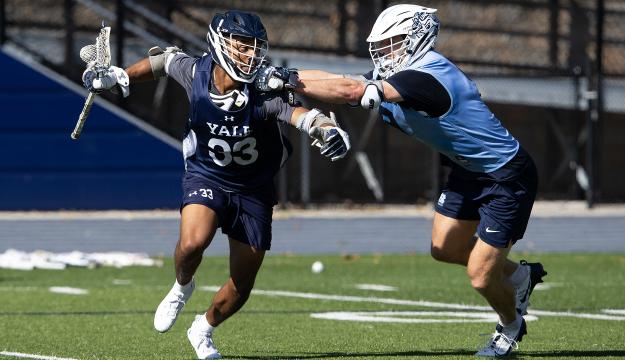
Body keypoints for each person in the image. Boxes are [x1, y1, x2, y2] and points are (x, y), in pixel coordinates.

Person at [257, 4, 547, 357]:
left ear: (418, 37)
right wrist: (281, 76)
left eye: (393, 43)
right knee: (445, 249)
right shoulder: (404, 75)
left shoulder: (424, 77)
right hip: (468, 170)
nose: (384, 52)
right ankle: (520, 277)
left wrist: (284, 79)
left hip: (505, 175)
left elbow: (351, 92)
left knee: (481, 276)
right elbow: (342, 82)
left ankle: (511, 325)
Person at [82, 10, 350, 360]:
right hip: (206, 174)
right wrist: (120, 76)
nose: (251, 56)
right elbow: (163, 61)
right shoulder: (197, 72)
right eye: (242, 47)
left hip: (254, 188)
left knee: (241, 285)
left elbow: (301, 115)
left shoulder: (263, 91)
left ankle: (203, 328)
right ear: (220, 45)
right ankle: (182, 286)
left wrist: (325, 129)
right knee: (193, 243)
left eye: (256, 48)